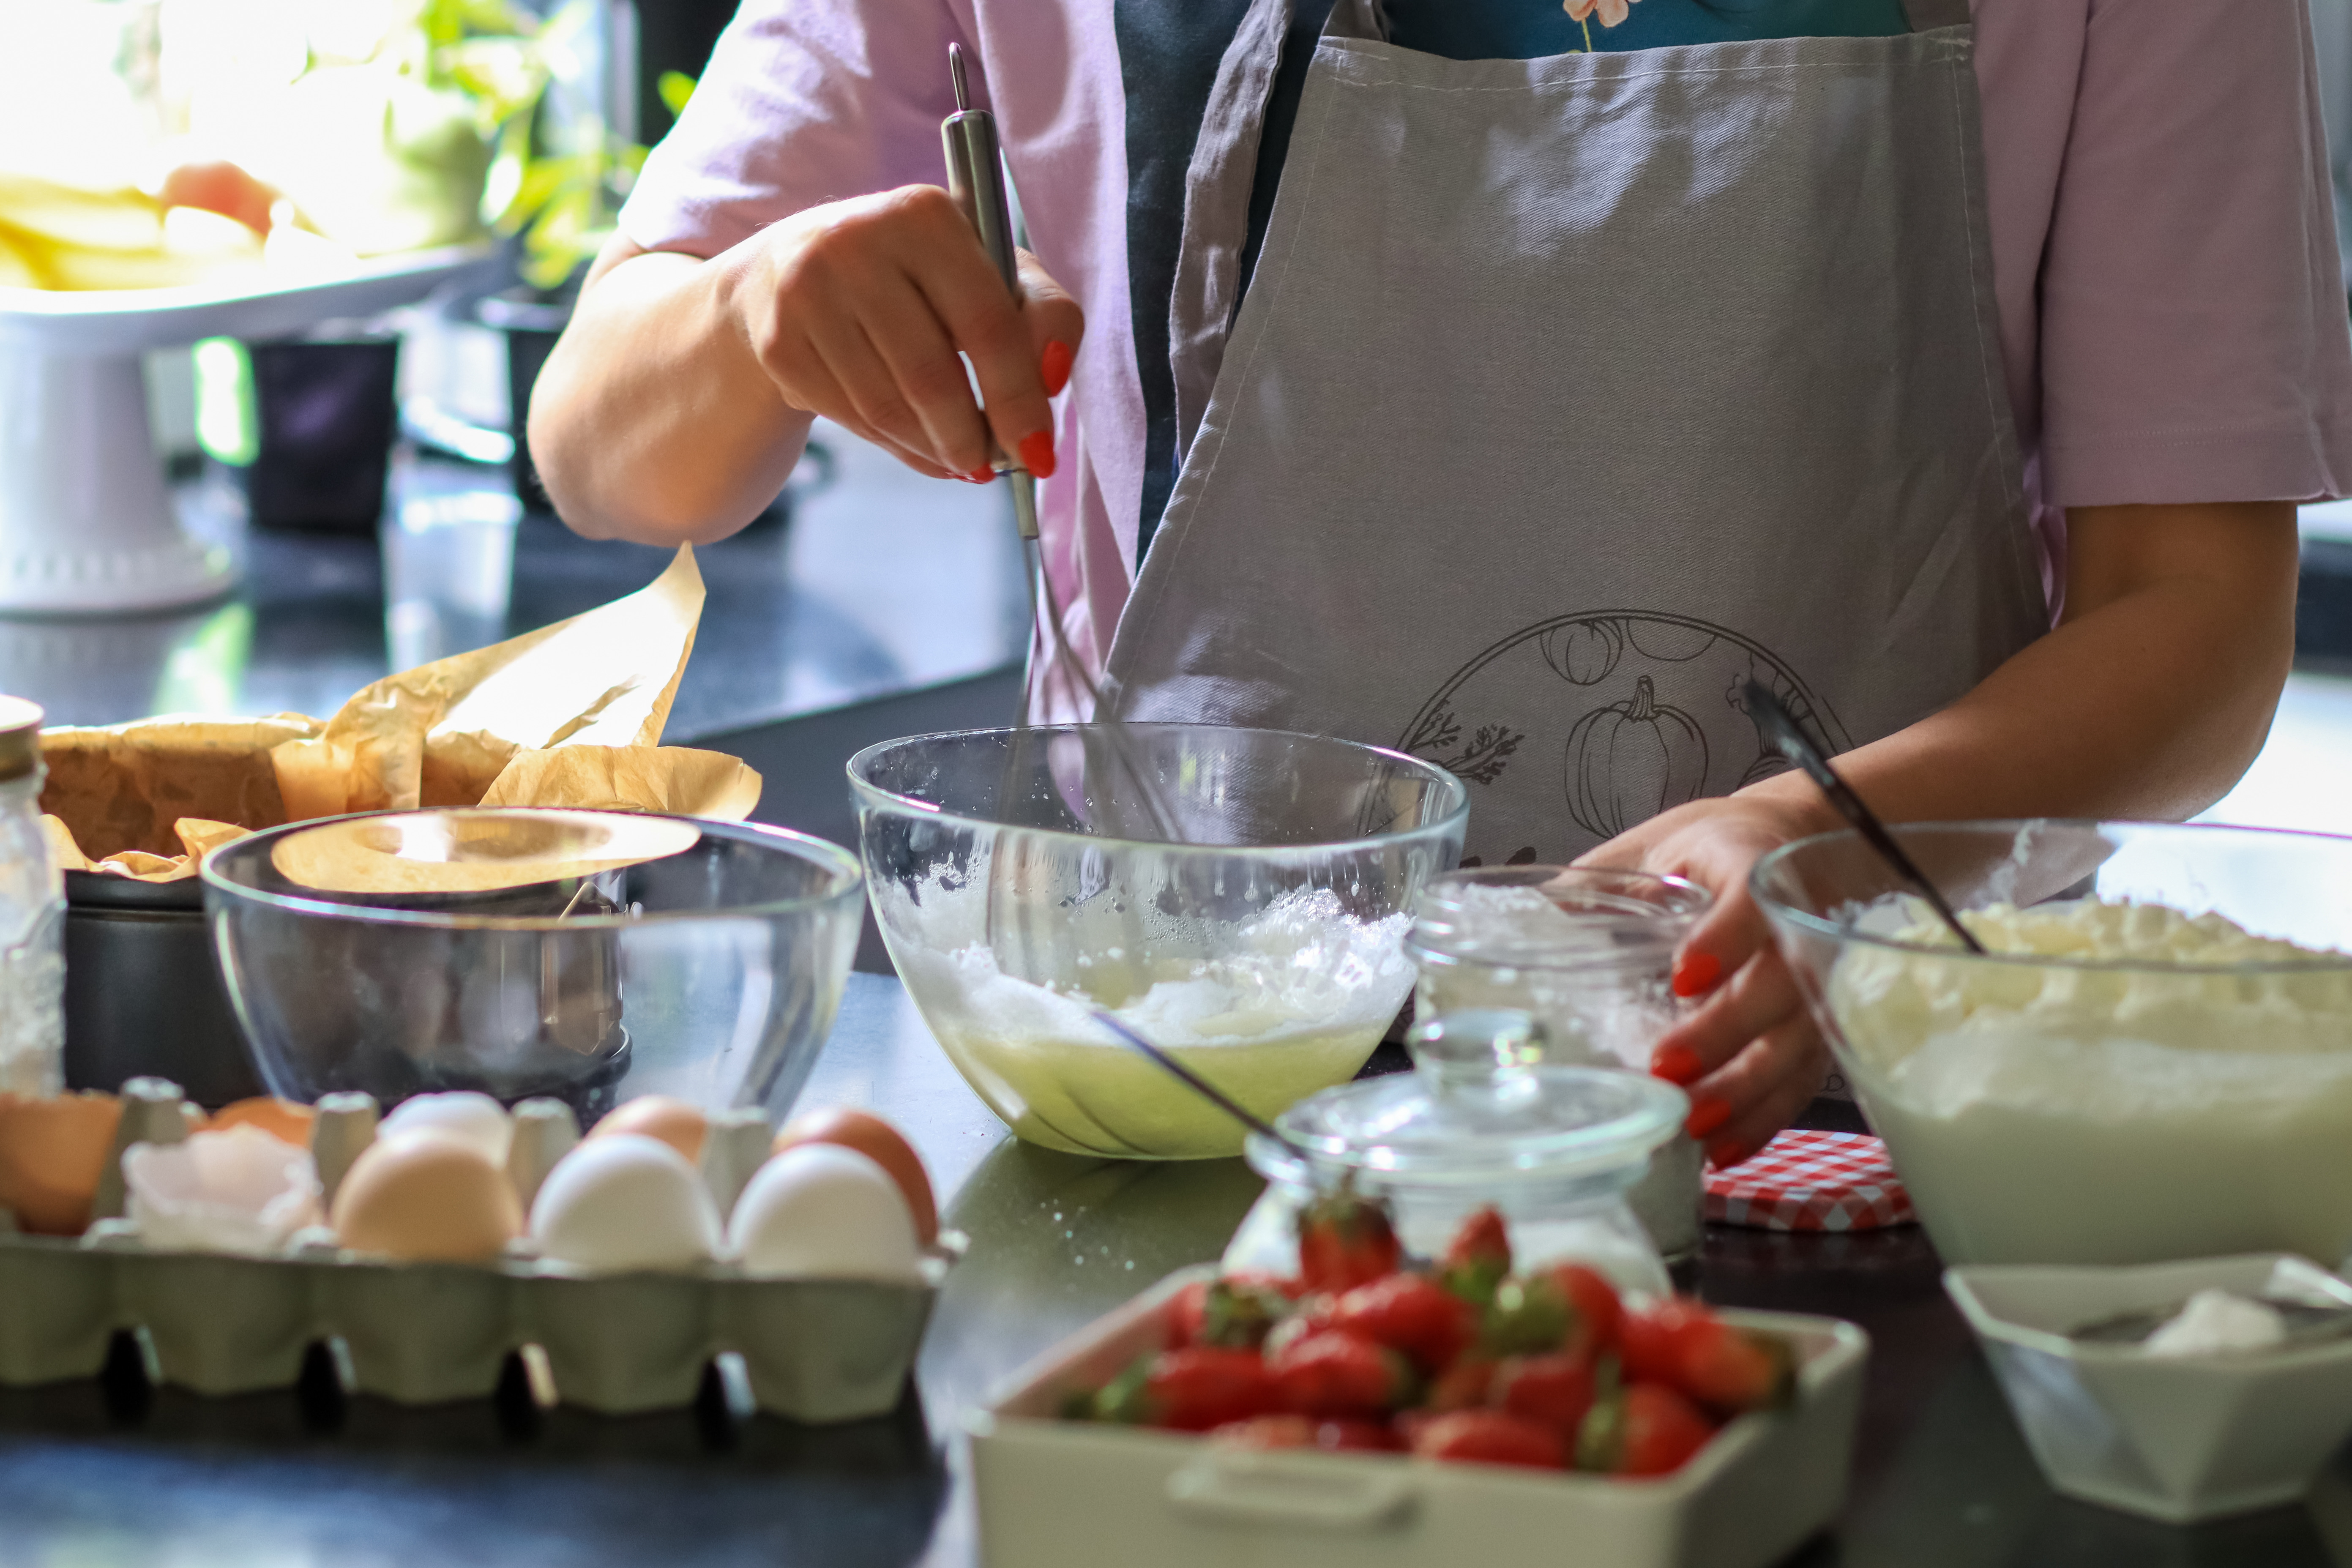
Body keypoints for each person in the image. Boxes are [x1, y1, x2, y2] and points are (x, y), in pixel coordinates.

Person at [528, 0, 2347, 1167]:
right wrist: (754, 302)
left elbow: (2195, 618)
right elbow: (610, 447)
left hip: (1851, 1109)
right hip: (1167, 1086)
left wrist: (1836, 839)